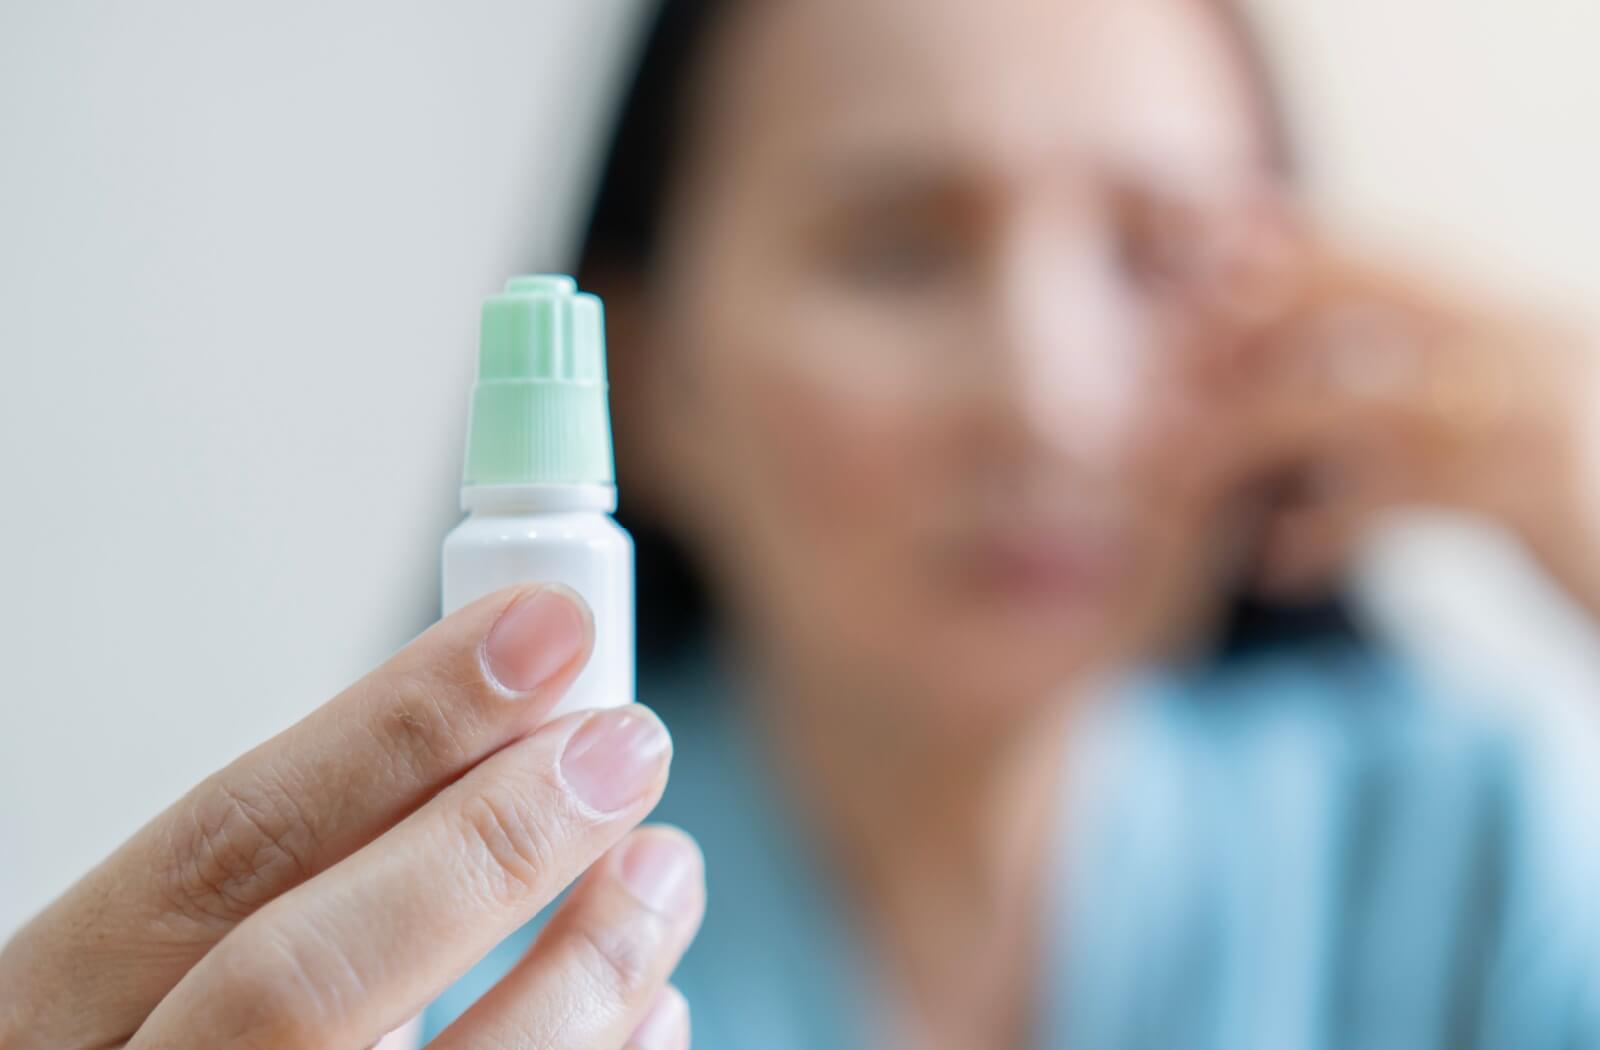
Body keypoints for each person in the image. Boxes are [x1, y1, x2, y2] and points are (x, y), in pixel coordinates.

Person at [5, 0, 1599, 1047]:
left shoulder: (1476, 849)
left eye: (1163, 250)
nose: (1047, 397)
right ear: (657, 379)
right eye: (898, 251)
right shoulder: (437, 949)